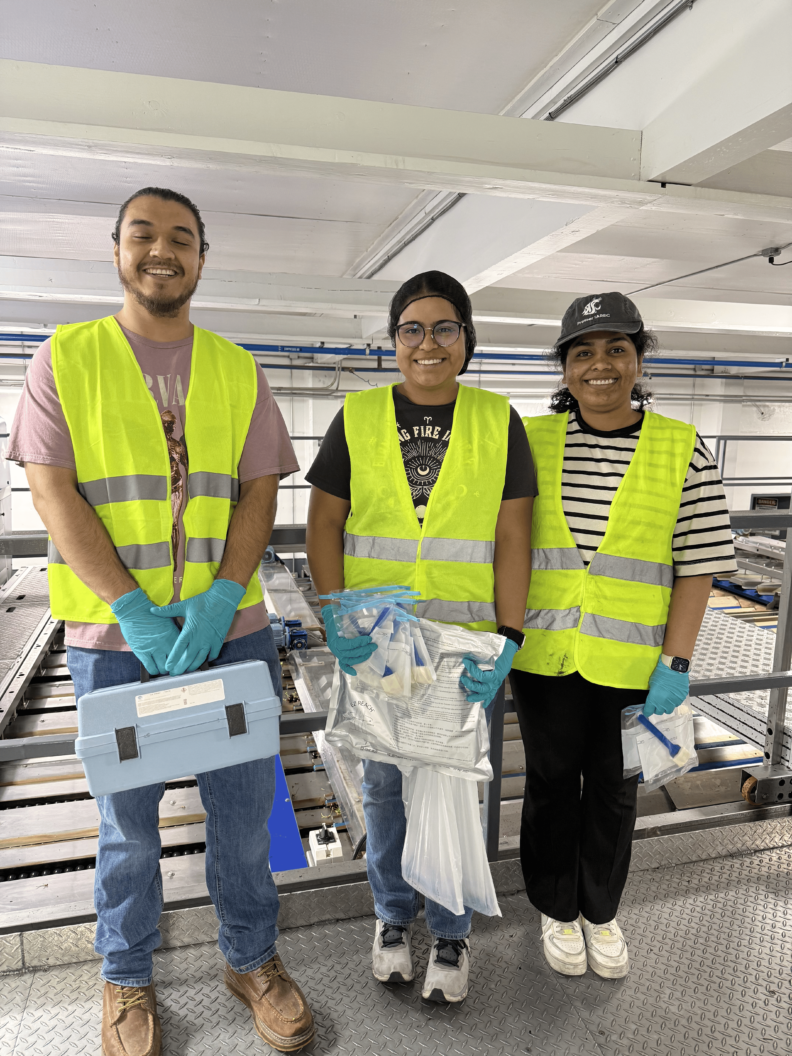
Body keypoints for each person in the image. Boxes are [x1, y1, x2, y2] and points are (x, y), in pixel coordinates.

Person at [8, 187, 315, 1054]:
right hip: (117, 642)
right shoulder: (63, 359)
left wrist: (224, 593)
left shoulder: (235, 366)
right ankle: (127, 975)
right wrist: (133, 607)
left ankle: (252, 959)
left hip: (234, 634)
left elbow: (262, 488)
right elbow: (50, 489)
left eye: (181, 238)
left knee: (244, 811)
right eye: (143, 234)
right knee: (127, 827)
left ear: (202, 260)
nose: (161, 250)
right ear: (116, 252)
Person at [305, 270, 534, 1003]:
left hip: (462, 646)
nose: (426, 343)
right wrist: (335, 616)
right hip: (379, 641)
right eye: (412, 329)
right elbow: (324, 524)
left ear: (466, 341)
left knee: (454, 789)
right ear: (393, 341)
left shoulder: (500, 421)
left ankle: (454, 931)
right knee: (384, 788)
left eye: (443, 328)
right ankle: (394, 919)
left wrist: (508, 641)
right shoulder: (359, 415)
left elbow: (512, 538)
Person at [508, 292, 737, 980]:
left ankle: (601, 911)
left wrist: (677, 660)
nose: (599, 365)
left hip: (634, 663)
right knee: (550, 782)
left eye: (616, 349)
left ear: (639, 359)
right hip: (544, 656)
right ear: (564, 366)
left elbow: (698, 562)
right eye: (583, 352)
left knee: (613, 787)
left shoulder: (680, 447)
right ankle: (555, 906)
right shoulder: (530, 440)